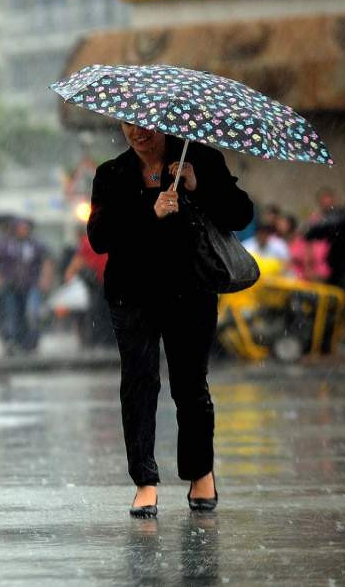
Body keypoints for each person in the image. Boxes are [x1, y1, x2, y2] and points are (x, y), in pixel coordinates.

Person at [88, 123, 253, 518]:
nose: (137, 132)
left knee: (190, 385)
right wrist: (150, 211)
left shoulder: (199, 160)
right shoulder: (111, 173)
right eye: (128, 124)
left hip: (190, 290)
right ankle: (144, 482)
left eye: (146, 126)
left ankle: (201, 474)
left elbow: (240, 213)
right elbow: (99, 236)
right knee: (139, 384)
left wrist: (199, 187)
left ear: (165, 124)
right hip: (132, 295)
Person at [0, 219, 51, 353]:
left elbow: (46, 260)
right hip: (10, 285)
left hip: (31, 283)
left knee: (31, 312)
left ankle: (30, 341)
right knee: (11, 313)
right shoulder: (6, 245)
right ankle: (11, 341)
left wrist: (45, 278)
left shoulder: (35, 244)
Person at [276, 214, 329, 281]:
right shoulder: (278, 241)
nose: (278, 225)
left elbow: (309, 263)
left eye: (282, 223)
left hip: (305, 279)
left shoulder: (304, 242)